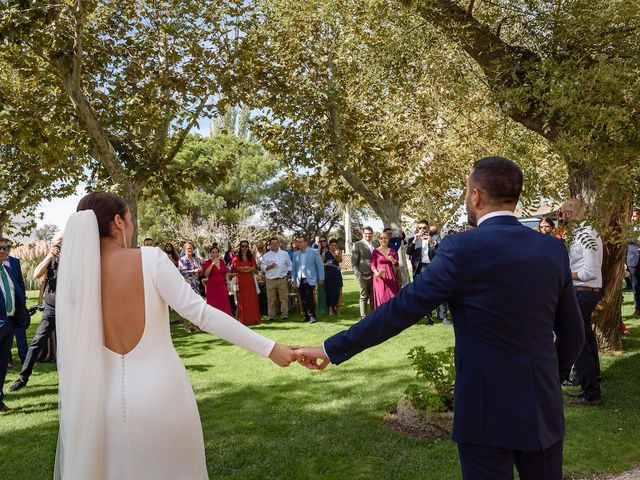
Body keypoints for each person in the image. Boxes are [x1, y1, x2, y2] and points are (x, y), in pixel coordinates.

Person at [296, 157, 585, 480]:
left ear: (475, 196)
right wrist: (549, 378)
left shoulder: (460, 249)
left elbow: (401, 309)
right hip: (540, 406)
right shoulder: (551, 250)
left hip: (483, 409)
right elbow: (573, 334)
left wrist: (331, 348)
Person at [52, 192, 297, 479]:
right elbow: (202, 315)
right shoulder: (150, 260)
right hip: (163, 397)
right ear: (118, 222)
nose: (130, 227)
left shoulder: (77, 280)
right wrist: (270, 348)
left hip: (99, 407)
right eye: (129, 219)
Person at [559, 198, 603, 406]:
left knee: (580, 341)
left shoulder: (587, 235)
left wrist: (564, 274)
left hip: (585, 292)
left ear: (570, 213)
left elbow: (589, 272)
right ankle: (592, 382)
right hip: (582, 292)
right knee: (587, 338)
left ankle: (591, 393)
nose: (560, 218)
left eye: (562, 213)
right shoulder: (579, 234)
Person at [10, 232, 62, 392]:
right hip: (51, 307)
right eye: (56, 243)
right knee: (37, 341)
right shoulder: (50, 259)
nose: (59, 246)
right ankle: (23, 377)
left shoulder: (74, 258)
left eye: (61, 242)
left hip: (70, 307)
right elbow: (36, 274)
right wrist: (49, 255)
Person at [0, 235, 29, 413]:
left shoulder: (9, 270)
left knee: (2, 365)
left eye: (6, 248)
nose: (4, 251)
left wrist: (21, 313)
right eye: (1, 248)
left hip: (9, 324)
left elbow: (18, 292)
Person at [406, 220, 438, 325]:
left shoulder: (436, 238)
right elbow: (408, 251)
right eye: (420, 228)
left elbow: (442, 250)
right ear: (417, 229)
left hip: (433, 268)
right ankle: (429, 318)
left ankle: (442, 315)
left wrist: (432, 242)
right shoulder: (413, 239)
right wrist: (415, 240)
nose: (422, 230)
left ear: (428, 228)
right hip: (420, 268)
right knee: (423, 294)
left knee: (437, 292)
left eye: (424, 227)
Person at [291, 235, 325, 324]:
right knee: (303, 299)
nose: (298, 243)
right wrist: (293, 280)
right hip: (299, 279)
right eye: (298, 242)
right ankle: (306, 316)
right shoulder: (295, 254)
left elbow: (320, 266)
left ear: (306, 242)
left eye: (300, 242)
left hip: (310, 278)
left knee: (309, 297)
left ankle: (312, 316)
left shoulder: (314, 252)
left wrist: (321, 278)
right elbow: (294, 268)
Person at [260, 237, 292, 322]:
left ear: (278, 243)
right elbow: (262, 267)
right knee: (271, 299)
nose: (274, 245)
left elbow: (290, 265)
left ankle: (285, 314)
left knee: (284, 298)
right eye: (272, 243)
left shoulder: (285, 254)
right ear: (269, 245)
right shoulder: (266, 256)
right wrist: (269, 266)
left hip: (282, 279)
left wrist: (288, 274)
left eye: (276, 243)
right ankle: (271, 316)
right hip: (270, 280)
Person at [232, 241, 262, 326]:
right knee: (243, 299)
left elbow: (253, 267)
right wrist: (247, 268)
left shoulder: (251, 257)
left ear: (248, 247)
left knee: (251, 298)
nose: (244, 248)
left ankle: (254, 318)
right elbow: (237, 268)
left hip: (250, 279)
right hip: (241, 280)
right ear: (240, 247)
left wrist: (245, 269)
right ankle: (244, 319)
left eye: (246, 246)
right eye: (242, 246)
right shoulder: (236, 258)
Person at [351, 227, 376, 319]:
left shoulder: (376, 244)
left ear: (372, 234)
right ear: (363, 234)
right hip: (363, 275)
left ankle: (373, 316)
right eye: (366, 233)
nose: (368, 235)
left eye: (369, 233)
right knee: (364, 296)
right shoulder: (357, 245)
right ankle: (363, 317)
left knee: (374, 296)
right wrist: (358, 275)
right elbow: (354, 263)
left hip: (375, 275)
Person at [178, 241, 203, 333]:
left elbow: (199, 270)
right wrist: (194, 271)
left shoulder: (196, 260)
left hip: (196, 284)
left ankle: (193, 325)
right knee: (186, 305)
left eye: (191, 248)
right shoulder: (182, 260)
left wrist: (200, 271)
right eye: (188, 249)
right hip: (187, 284)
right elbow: (182, 272)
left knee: (195, 305)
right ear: (184, 250)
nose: (190, 250)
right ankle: (186, 326)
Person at [371, 231, 399, 308]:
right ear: (379, 240)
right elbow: (372, 265)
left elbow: (397, 264)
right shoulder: (375, 251)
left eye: (385, 238)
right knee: (382, 298)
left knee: (392, 297)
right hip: (379, 277)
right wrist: (377, 273)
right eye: (381, 238)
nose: (383, 240)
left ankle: (392, 317)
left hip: (390, 276)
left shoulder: (392, 251)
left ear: (388, 239)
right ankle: (382, 317)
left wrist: (393, 260)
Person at [201, 245, 232, 316]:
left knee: (224, 302)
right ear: (210, 254)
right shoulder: (208, 262)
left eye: (216, 252)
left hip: (222, 286)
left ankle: (225, 320)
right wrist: (212, 264)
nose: (214, 254)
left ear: (218, 253)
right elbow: (206, 274)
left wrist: (228, 284)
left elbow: (226, 273)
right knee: (213, 304)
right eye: (213, 252)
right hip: (212, 287)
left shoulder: (222, 261)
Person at [322, 239, 343, 315]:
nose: (334, 247)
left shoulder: (338, 252)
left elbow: (340, 261)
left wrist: (338, 255)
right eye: (332, 245)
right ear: (329, 245)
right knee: (329, 291)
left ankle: (337, 308)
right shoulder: (325, 253)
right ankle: (330, 308)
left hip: (337, 274)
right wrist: (326, 264)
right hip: (329, 274)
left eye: (335, 245)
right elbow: (321, 264)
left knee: (338, 290)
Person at [627, 207, 640, 317]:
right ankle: (637, 308)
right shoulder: (627, 229)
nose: (633, 218)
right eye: (632, 216)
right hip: (632, 259)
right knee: (635, 285)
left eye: (635, 215)